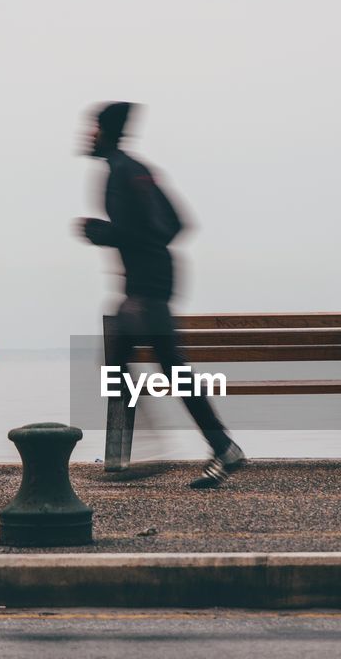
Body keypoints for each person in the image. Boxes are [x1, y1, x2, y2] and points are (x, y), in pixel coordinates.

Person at [76, 101, 245, 488]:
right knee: (144, 363)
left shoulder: (121, 173)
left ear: (108, 132)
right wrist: (134, 245)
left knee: (147, 366)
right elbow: (174, 224)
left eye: (94, 128)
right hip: (150, 284)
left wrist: (104, 233)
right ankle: (212, 447)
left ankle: (155, 454)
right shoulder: (140, 172)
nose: (88, 134)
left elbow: (148, 229)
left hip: (146, 289)